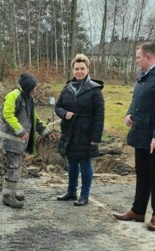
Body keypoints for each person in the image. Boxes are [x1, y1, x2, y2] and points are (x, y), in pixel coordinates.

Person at [113, 42, 155, 231]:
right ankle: (138, 211)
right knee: (142, 174)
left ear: (148, 57)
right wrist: (128, 113)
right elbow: (137, 98)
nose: (136, 61)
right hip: (141, 134)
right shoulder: (144, 74)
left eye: (138, 57)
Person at [0, 73, 57, 209]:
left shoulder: (28, 98)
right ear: (28, 87)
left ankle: (10, 192)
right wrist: (21, 131)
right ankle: (8, 196)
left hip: (19, 141)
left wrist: (45, 132)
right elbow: (7, 115)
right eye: (34, 87)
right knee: (14, 166)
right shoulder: (14, 96)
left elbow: (34, 118)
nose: (36, 90)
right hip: (11, 139)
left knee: (16, 166)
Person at [55, 53, 105, 206]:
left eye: (82, 68)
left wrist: (95, 137)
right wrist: (64, 114)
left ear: (88, 70)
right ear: (73, 70)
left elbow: (100, 115)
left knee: (84, 162)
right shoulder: (67, 88)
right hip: (69, 132)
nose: (79, 71)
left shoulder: (95, 90)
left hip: (86, 132)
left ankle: (84, 195)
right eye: (76, 68)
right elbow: (58, 107)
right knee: (71, 162)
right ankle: (71, 192)